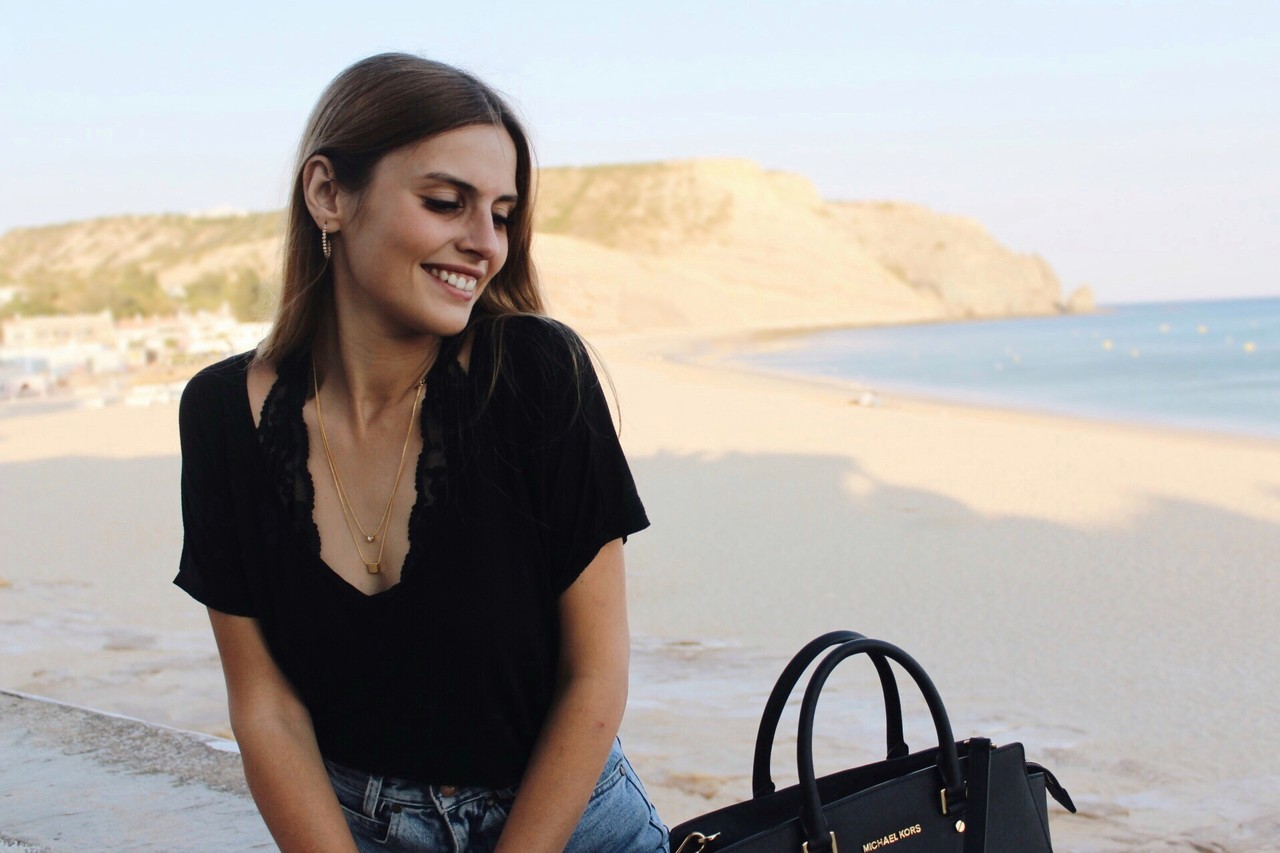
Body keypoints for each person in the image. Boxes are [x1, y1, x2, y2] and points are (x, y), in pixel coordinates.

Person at [174, 53, 668, 852]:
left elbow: (595, 677)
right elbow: (265, 704)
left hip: (570, 828)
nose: (484, 244)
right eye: (446, 203)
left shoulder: (536, 372)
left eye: (502, 215)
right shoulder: (220, 413)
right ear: (328, 194)